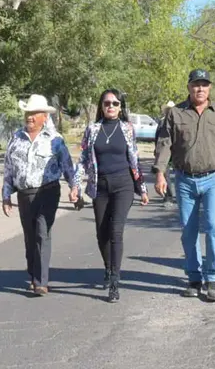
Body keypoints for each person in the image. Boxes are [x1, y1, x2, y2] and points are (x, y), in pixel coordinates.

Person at [153, 70, 215, 302]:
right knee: (188, 231)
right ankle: (194, 277)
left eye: (204, 85)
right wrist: (160, 173)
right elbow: (165, 144)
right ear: (189, 87)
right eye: (196, 85)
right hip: (185, 180)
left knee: (214, 227)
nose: (200, 89)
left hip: (214, 179)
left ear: (209, 88)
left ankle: (213, 277)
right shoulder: (175, 113)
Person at [73, 89, 150, 302]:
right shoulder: (93, 129)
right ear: (101, 106)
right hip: (100, 185)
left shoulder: (127, 128)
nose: (111, 107)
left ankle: (115, 281)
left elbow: (134, 158)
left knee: (116, 231)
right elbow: (84, 159)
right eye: (107, 103)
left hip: (123, 183)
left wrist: (141, 188)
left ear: (120, 106)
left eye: (116, 103)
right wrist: (76, 185)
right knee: (101, 232)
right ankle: (108, 268)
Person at [1, 95, 77, 296]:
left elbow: (67, 165)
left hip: (47, 192)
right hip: (24, 194)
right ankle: (33, 274)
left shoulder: (55, 139)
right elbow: (9, 168)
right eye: (28, 113)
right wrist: (6, 195)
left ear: (44, 117)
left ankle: (41, 281)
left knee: (42, 233)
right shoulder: (15, 138)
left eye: (34, 114)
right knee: (30, 236)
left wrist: (74, 187)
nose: (30, 117)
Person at [157, 101, 178, 207]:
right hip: (165, 153)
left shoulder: (178, 121)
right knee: (165, 174)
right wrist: (157, 152)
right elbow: (158, 138)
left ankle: (180, 195)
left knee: (179, 174)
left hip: (176, 153)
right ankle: (168, 196)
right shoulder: (161, 122)